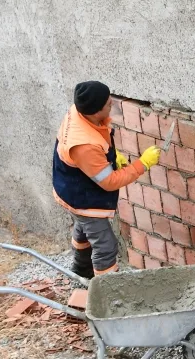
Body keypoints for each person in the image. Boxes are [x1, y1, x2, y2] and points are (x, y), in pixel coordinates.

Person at [52, 81, 161, 278]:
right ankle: (108, 293)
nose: (112, 105)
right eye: (108, 104)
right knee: (106, 246)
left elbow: (97, 142)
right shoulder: (84, 145)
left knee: (84, 229)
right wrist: (142, 164)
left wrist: (111, 154)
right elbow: (109, 181)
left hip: (68, 187)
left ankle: (81, 270)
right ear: (95, 112)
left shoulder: (78, 111)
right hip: (81, 198)